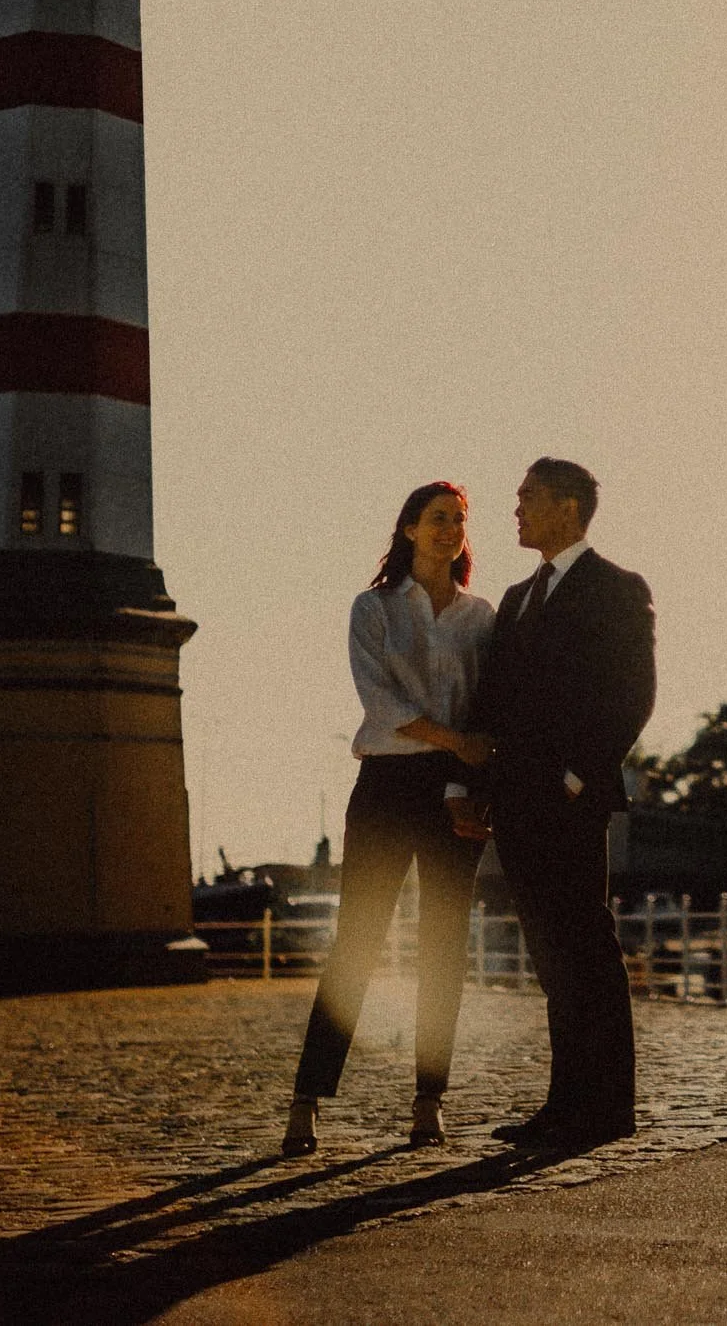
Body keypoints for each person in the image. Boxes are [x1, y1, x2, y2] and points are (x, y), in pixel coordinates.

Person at [283, 481, 497, 1156]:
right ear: (408, 528)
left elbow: (485, 710)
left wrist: (463, 776)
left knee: (443, 945)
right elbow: (381, 703)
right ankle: (307, 1098)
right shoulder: (371, 607)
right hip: (385, 784)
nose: (449, 529)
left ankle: (430, 1098)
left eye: (459, 519)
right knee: (357, 940)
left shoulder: (480, 617)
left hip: (454, 788)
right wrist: (456, 741)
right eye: (437, 518)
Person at [454, 456, 656, 1155]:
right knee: (549, 956)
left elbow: (633, 695)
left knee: (587, 948)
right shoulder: (515, 599)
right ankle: (565, 1103)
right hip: (516, 800)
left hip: (571, 799)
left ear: (568, 508)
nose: (515, 509)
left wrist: (576, 777)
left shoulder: (618, 588)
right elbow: (494, 701)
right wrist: (474, 787)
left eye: (528, 497)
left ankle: (610, 1107)